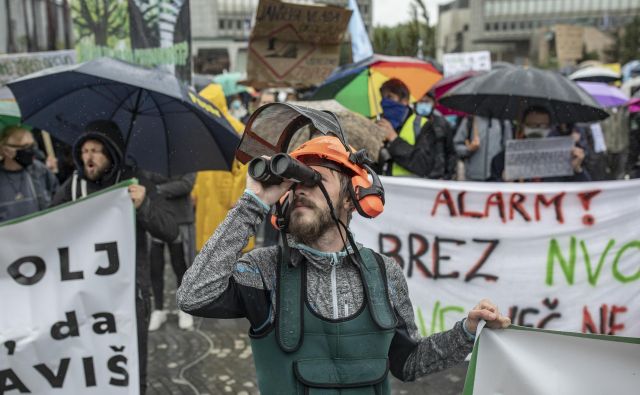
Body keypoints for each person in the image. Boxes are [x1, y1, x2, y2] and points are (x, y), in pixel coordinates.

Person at [177, 134, 510, 393]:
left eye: (314, 179)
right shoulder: (265, 270)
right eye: (294, 183)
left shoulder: (384, 273)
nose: (299, 191)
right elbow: (193, 295)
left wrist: (466, 332)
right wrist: (254, 202)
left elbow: (408, 363)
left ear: (351, 198)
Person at [50, 120, 178, 394]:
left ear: (112, 153)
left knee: (131, 373)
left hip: (129, 298)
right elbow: (46, 231)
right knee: (91, 371)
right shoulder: (72, 188)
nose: (89, 157)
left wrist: (144, 205)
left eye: (96, 150)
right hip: (84, 299)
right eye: (84, 150)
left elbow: (169, 229)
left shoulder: (136, 181)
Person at [146, 172, 197, 331]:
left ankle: (185, 309)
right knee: (155, 266)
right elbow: (146, 180)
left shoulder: (188, 155)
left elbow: (186, 185)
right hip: (156, 216)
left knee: (181, 265)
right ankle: (158, 309)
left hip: (180, 218)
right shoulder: (151, 156)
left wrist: (157, 188)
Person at [490, 106, 589, 182]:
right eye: (531, 125)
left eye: (542, 126)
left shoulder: (565, 156)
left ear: (549, 127)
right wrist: (502, 181)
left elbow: (587, 193)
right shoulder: (502, 159)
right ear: (522, 125)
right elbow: (485, 193)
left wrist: (577, 169)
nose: (536, 130)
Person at [375, 78, 435, 177]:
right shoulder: (379, 124)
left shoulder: (422, 125)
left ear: (405, 101)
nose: (384, 102)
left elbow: (423, 165)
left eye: (390, 97)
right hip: (382, 188)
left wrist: (393, 139)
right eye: (383, 98)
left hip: (409, 190)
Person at [0, 125, 58, 222]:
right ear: (6, 150)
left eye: (32, 145)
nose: (32, 150)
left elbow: (57, 199)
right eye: (25, 147)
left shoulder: (40, 170)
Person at [453, 116, 513, 181]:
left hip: (496, 179)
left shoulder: (504, 121)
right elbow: (456, 146)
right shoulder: (470, 119)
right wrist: (469, 149)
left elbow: (508, 150)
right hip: (472, 179)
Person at [414, 90, 457, 180]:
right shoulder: (410, 122)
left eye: (426, 102)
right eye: (420, 101)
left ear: (434, 103)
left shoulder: (442, 123)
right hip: (415, 176)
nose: (423, 105)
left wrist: (447, 176)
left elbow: (451, 152)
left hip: (438, 178)